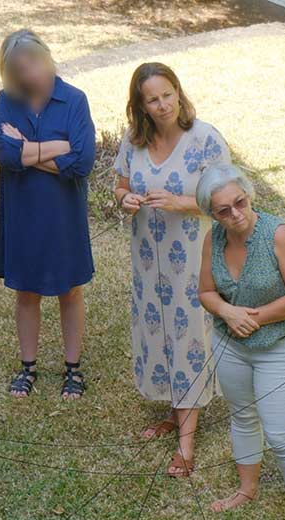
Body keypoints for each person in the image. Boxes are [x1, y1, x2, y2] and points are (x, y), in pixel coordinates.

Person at [115, 62, 230, 477]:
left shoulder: (205, 140)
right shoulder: (134, 141)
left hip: (193, 261)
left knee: (189, 338)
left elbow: (229, 199)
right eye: (153, 99)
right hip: (149, 261)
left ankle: (186, 443)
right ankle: (174, 409)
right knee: (158, 332)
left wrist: (181, 202)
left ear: (178, 93)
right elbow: (121, 185)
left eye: (168, 95)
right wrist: (125, 199)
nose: (163, 105)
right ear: (140, 106)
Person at [195, 163, 285, 520]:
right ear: (212, 214)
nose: (236, 214)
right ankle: (247, 489)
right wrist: (228, 312)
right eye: (223, 210)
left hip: (277, 346)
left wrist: (254, 317)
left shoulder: (279, 235)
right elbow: (206, 292)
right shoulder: (213, 239)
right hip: (230, 344)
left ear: (249, 195)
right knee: (242, 416)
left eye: (240, 203)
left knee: (281, 433)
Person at [0, 28, 95, 401]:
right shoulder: (7, 101)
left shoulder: (74, 100)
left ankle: (73, 369)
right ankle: (28, 367)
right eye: (19, 69)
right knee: (27, 291)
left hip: (63, 213)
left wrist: (26, 149)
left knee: (70, 290)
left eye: (34, 63)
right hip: (22, 211)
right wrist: (58, 147)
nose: (29, 73)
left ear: (47, 56)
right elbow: (3, 155)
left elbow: (82, 161)